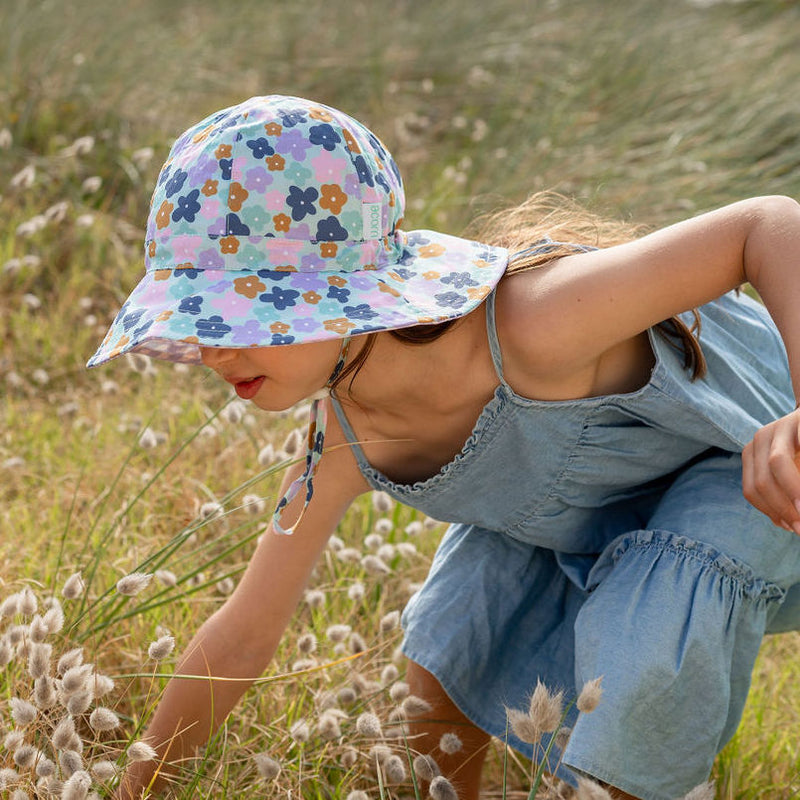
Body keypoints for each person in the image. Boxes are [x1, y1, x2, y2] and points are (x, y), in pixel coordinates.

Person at [89, 95, 800, 800]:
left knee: (649, 637)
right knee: (452, 627)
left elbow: (765, 225)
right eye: (197, 319)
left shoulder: (534, 325)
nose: (212, 351)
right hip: (580, 513)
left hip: (751, 469)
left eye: (242, 316)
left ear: (343, 293)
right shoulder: (340, 437)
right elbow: (244, 634)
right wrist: (137, 792)